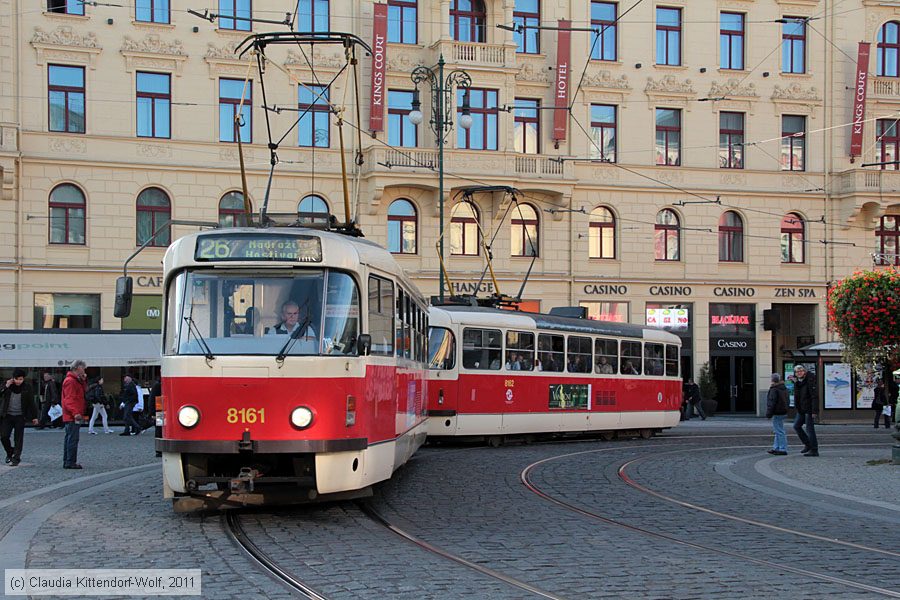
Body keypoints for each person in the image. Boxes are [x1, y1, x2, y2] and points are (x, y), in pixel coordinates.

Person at [1, 369, 38, 466]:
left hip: (20, 417)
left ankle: (16, 458)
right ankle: (10, 452)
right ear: (13, 378)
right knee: (4, 436)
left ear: (23, 379)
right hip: (7, 416)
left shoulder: (27, 387)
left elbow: (31, 402)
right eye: (16, 379)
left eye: (20, 379)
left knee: (18, 438)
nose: (18, 381)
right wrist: (6, 386)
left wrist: (34, 416)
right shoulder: (7, 386)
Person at [61, 360, 87, 469]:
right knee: (72, 438)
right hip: (72, 415)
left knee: (70, 437)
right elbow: (69, 399)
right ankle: (70, 461)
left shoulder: (75, 380)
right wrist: (75, 412)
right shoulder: (71, 381)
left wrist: (83, 380)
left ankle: (68, 460)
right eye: (83, 368)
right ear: (77, 368)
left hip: (72, 414)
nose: (84, 370)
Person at [791, 364, 819, 457]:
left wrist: (814, 411)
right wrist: (795, 383)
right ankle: (808, 444)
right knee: (796, 426)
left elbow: (814, 396)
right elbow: (797, 395)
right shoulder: (798, 382)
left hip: (809, 409)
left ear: (805, 372)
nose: (799, 373)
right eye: (797, 372)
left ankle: (814, 450)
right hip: (802, 409)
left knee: (810, 429)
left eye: (800, 371)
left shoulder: (810, 380)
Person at [766, 373, 789, 455]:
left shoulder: (774, 389)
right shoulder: (783, 388)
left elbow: (772, 402)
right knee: (778, 430)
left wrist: (768, 414)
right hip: (783, 411)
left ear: (772, 380)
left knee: (779, 431)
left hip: (777, 412)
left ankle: (782, 448)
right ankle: (776, 447)